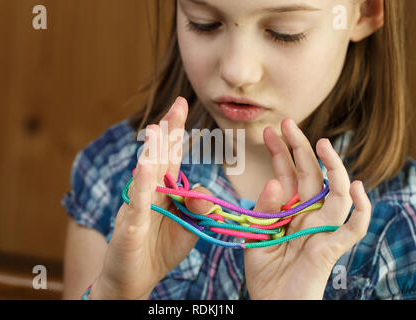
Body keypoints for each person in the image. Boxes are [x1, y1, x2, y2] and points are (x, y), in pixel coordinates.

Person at [61, 0, 416, 300]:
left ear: (365, 11)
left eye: (284, 31)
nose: (237, 71)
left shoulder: (401, 226)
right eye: (204, 23)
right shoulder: (116, 170)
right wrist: (114, 291)